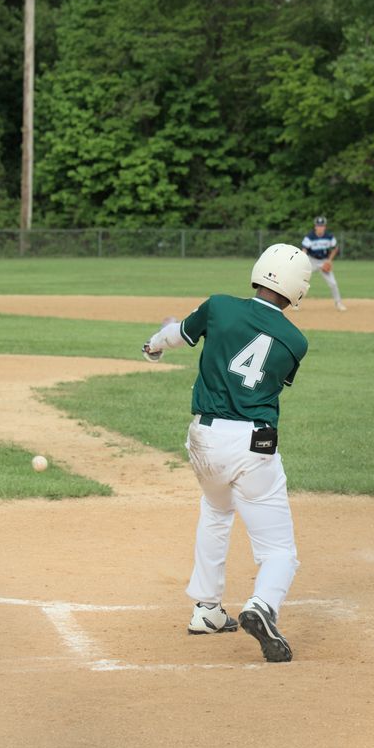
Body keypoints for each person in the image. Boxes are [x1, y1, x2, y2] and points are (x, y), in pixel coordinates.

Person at [141, 243, 312, 663]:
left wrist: (153, 345)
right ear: (297, 289)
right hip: (253, 444)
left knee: (216, 511)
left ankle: (207, 609)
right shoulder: (295, 341)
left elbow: (175, 335)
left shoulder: (218, 306)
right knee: (278, 551)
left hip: (204, 438)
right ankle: (262, 606)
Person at [299, 215, 346, 311]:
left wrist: (329, 260)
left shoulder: (329, 236)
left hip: (324, 261)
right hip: (311, 261)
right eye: (318, 225)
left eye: (322, 225)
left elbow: (335, 248)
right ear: (315, 226)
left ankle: (338, 303)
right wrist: (304, 260)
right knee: (301, 281)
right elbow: (304, 249)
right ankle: (296, 303)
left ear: (325, 227)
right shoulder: (310, 237)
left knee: (333, 283)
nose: (320, 227)